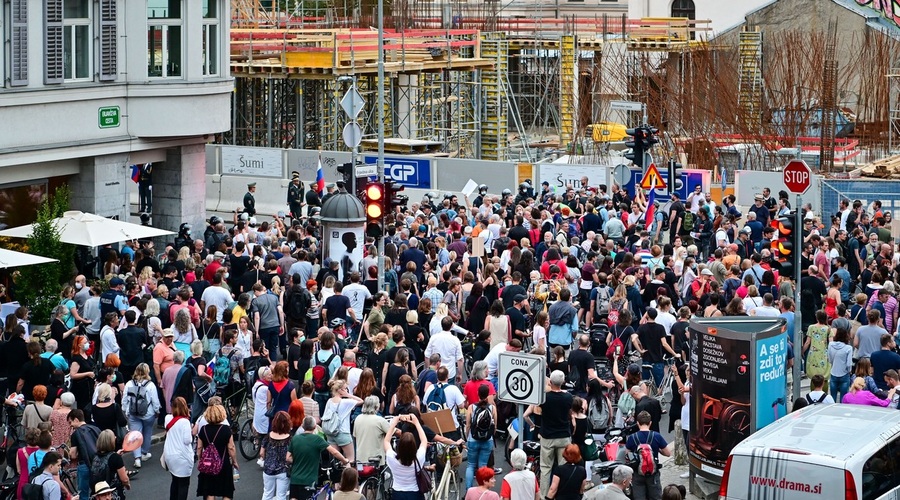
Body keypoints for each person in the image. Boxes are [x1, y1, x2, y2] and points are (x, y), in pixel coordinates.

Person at [287, 416, 350, 499]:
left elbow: (288, 458)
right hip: (309, 480)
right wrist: (345, 460)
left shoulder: (295, 439)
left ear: (302, 426)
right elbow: (334, 452)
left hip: (295, 479)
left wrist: (299, 459)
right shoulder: (317, 439)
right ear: (314, 427)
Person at [539, 370, 573, 498]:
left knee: (545, 468)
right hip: (564, 436)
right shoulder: (568, 397)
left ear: (550, 382)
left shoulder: (544, 398)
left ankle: (544, 495)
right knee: (563, 468)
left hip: (547, 436)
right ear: (563, 382)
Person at [624, 411, 671, 500]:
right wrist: (658, 449)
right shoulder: (656, 436)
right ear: (650, 423)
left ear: (637, 423)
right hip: (653, 473)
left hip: (637, 473)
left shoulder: (632, 437)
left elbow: (627, 455)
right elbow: (668, 453)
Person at [196, 404, 239, 499]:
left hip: (208, 463)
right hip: (223, 463)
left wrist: (200, 459)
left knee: (210, 491)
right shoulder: (226, 429)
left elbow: (199, 447)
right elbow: (231, 447)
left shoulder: (203, 429)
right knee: (227, 491)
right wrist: (234, 461)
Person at [122, 363, 160, 469]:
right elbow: (155, 401)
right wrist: (157, 411)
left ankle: (137, 458)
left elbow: (125, 399)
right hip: (148, 414)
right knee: (147, 433)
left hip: (133, 414)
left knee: (135, 435)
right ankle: (144, 453)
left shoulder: (129, 384)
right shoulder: (150, 385)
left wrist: (125, 410)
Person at [384, 413, 428, 500]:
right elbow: (424, 441)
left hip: (397, 493)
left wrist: (393, 424)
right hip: (415, 493)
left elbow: (386, 441)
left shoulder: (392, 458)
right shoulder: (418, 458)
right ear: (414, 446)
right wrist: (417, 423)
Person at [322, 379, 363, 463]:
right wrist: (348, 395)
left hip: (330, 432)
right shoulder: (345, 402)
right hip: (342, 432)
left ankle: (336, 475)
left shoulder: (329, 401)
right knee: (350, 459)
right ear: (340, 390)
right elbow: (361, 401)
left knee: (335, 460)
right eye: (345, 388)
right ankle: (347, 475)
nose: (347, 390)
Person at [465, 384, 497, 489]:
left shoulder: (471, 407)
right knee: (483, 466)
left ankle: (469, 490)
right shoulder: (492, 408)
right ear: (488, 395)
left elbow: (468, 425)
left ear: (477, 394)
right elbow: (495, 426)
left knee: (470, 466)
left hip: (473, 439)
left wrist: (467, 436)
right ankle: (482, 490)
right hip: (487, 440)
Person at [163, 397, 194, 500]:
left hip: (169, 455)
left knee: (175, 481)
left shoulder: (167, 418)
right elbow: (187, 440)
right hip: (182, 457)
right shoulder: (185, 422)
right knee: (183, 484)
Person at [67, 409, 100, 500]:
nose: (71, 425)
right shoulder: (96, 429)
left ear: (76, 420)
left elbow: (73, 455)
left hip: (84, 464)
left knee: (83, 493)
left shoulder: (75, 434)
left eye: (71, 422)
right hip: (99, 463)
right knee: (100, 490)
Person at [262, 411, 292, 500]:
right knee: (281, 495)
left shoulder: (268, 436)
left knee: (267, 493)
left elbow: (261, 453)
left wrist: (266, 458)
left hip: (268, 469)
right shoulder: (290, 439)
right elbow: (289, 457)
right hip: (283, 470)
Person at [92, 429, 130, 498]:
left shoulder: (95, 456)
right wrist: (127, 484)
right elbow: (124, 479)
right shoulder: (116, 458)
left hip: (99, 492)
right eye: (114, 437)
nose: (115, 437)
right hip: (112, 493)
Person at [353, 396, 389, 465]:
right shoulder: (380, 420)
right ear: (376, 406)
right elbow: (393, 432)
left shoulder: (357, 419)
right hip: (376, 460)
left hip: (360, 459)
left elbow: (355, 436)